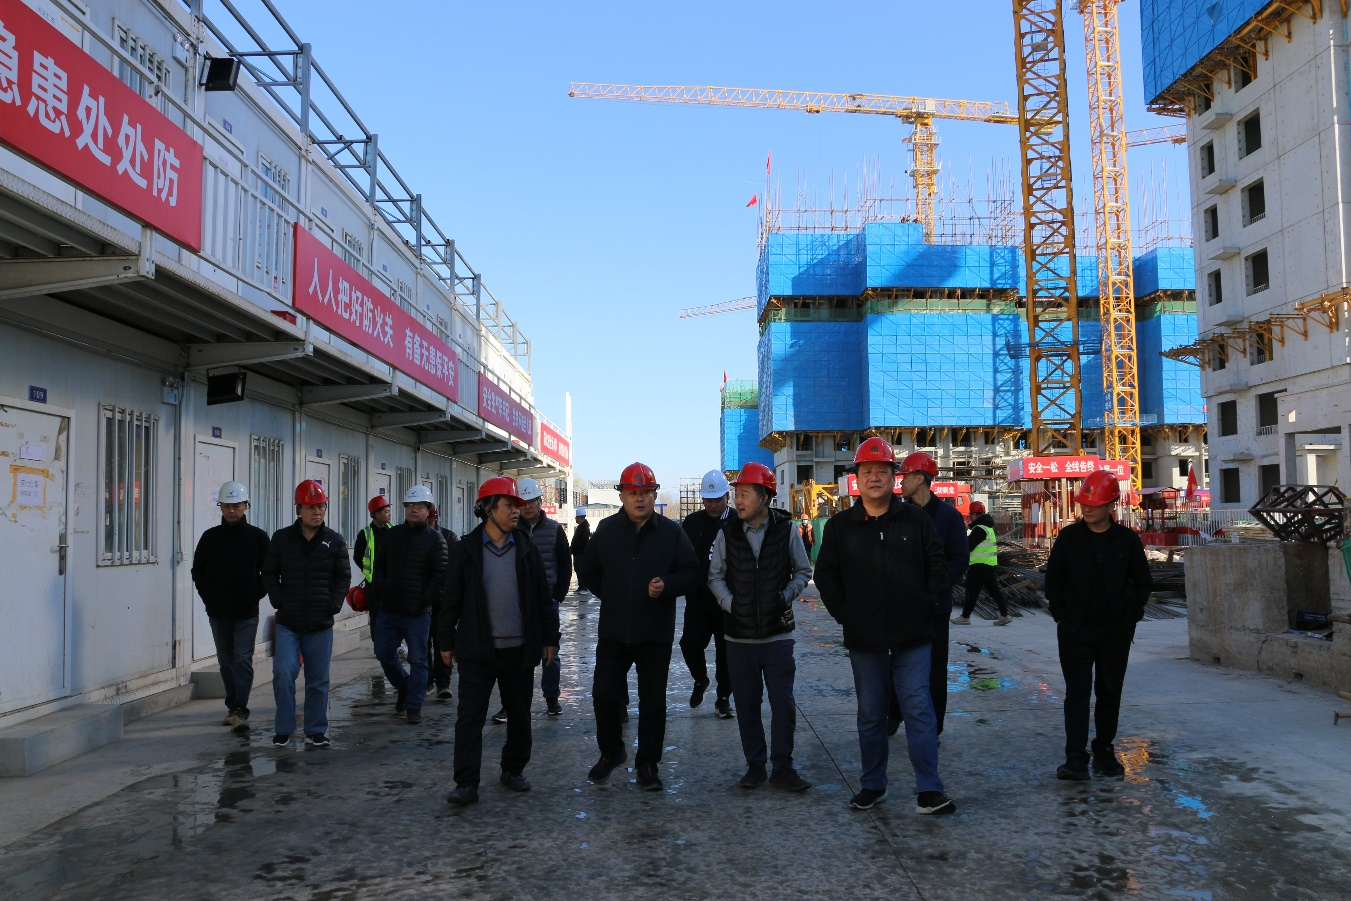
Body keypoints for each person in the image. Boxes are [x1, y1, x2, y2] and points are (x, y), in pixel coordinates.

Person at [814, 437, 956, 814]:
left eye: (882, 470)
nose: (874, 477)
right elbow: (826, 576)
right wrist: (847, 614)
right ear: (856, 478)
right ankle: (873, 785)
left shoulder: (916, 520)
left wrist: (928, 604)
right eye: (867, 471)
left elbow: (937, 564)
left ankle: (929, 789)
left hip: (913, 638)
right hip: (866, 641)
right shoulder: (841, 527)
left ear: (894, 477)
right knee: (871, 715)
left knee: (919, 710)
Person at [577, 462, 699, 792]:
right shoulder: (607, 531)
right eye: (633, 493)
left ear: (655, 495)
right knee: (603, 695)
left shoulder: (672, 533)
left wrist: (668, 585)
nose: (640, 498)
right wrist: (611, 594)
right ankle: (612, 751)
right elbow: (586, 569)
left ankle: (647, 764)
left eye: (646, 492)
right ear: (622, 496)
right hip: (614, 632)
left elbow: (692, 572)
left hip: (654, 634)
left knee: (653, 703)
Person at [440, 477, 558, 806]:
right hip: (477, 651)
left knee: (520, 715)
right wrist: (445, 641)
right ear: (488, 509)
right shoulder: (466, 549)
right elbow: (451, 599)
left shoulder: (526, 548)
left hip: (519, 651)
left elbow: (543, 596)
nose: (517, 511)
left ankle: (513, 769)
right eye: (509, 505)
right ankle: (466, 783)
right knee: (470, 718)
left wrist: (550, 638)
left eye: (518, 505)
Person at [707, 463, 812, 791]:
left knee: (783, 704)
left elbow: (803, 571)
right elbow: (714, 576)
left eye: (744, 494)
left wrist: (785, 597)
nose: (737, 501)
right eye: (736, 494)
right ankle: (755, 766)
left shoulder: (786, 530)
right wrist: (730, 604)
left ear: (764, 497)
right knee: (747, 705)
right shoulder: (727, 533)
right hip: (738, 638)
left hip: (777, 635)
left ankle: (783, 767)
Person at [1044, 470, 1152, 781]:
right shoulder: (1069, 538)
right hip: (1075, 630)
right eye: (1084, 504)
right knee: (1077, 693)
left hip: (1115, 632)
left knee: (1109, 692)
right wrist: (1061, 614)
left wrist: (1131, 615)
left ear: (1111, 505)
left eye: (1094, 504)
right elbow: (1053, 580)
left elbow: (1143, 581)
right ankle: (1075, 757)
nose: (1087, 508)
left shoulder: (1127, 541)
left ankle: (1104, 750)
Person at [262, 480, 351, 749]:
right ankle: (283, 729)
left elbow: (343, 577)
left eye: (321, 506)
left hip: (320, 623)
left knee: (318, 679)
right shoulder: (282, 539)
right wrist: (278, 600)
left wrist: (334, 604)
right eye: (311, 507)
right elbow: (269, 572)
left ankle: (316, 730)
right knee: (283, 673)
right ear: (298, 509)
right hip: (289, 622)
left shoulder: (334, 541)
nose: (317, 512)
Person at [897, 452, 970, 737]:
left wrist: (936, 588)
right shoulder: (898, 515)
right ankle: (894, 713)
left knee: (934, 670)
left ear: (919, 479)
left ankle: (933, 727)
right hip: (902, 607)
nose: (901, 482)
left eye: (905, 476)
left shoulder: (949, 517)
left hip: (935, 607)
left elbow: (959, 558)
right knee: (896, 664)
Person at [191, 480, 270, 733]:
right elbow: (198, 571)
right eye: (227, 506)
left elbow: (269, 572)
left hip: (246, 612)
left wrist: (255, 595)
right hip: (218, 612)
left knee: (242, 659)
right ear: (221, 507)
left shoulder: (258, 538)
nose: (232, 510)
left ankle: (240, 708)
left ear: (246, 506)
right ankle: (232, 705)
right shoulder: (210, 538)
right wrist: (209, 598)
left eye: (236, 506)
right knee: (226, 661)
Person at [369, 485, 448, 725]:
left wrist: (424, 599)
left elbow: (440, 574)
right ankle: (404, 686)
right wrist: (380, 590)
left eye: (419, 506)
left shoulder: (436, 540)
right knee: (383, 652)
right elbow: (380, 565)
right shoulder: (393, 535)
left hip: (418, 613)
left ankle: (414, 706)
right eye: (410, 506)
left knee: (418, 659)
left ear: (429, 510)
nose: (414, 510)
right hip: (390, 609)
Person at [511, 477, 572, 718]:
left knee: (550, 652)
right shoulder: (510, 530)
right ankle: (511, 701)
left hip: (547, 603)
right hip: (517, 604)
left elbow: (564, 564)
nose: (527, 506)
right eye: (523, 502)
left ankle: (551, 698)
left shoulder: (554, 530)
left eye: (532, 501)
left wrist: (557, 595)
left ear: (539, 502)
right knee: (515, 654)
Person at [679, 469, 735, 719]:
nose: (712, 505)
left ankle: (723, 698)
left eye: (718, 499)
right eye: (708, 500)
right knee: (689, 644)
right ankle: (701, 679)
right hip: (698, 599)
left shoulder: (737, 522)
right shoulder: (691, 523)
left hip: (727, 601)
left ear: (727, 497)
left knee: (726, 653)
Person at [953, 501, 1011, 626]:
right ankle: (1005, 614)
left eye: (971, 515)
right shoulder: (988, 528)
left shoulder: (979, 529)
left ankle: (965, 617)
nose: (970, 517)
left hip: (979, 565)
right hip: (989, 564)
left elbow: (968, 545)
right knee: (994, 590)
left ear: (976, 514)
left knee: (972, 591)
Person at [428, 503, 459, 699]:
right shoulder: (413, 538)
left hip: (443, 601)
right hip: (420, 602)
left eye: (431, 518)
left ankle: (443, 683)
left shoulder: (449, 538)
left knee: (442, 642)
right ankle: (427, 681)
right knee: (422, 644)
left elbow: (455, 570)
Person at [352, 495, 393, 637]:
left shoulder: (393, 530)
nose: (389, 514)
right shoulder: (365, 534)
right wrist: (368, 572)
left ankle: (394, 643)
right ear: (376, 514)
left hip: (391, 581)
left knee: (393, 614)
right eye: (386, 511)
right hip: (374, 583)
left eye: (389, 511)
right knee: (377, 615)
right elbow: (357, 556)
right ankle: (378, 643)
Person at [571, 510, 591, 595]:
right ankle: (581, 586)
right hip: (579, 552)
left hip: (581, 553)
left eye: (576, 517)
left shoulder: (583, 528)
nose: (575, 519)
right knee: (578, 569)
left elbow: (580, 541)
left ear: (579, 517)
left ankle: (583, 587)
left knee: (581, 570)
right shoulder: (582, 527)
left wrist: (573, 548)